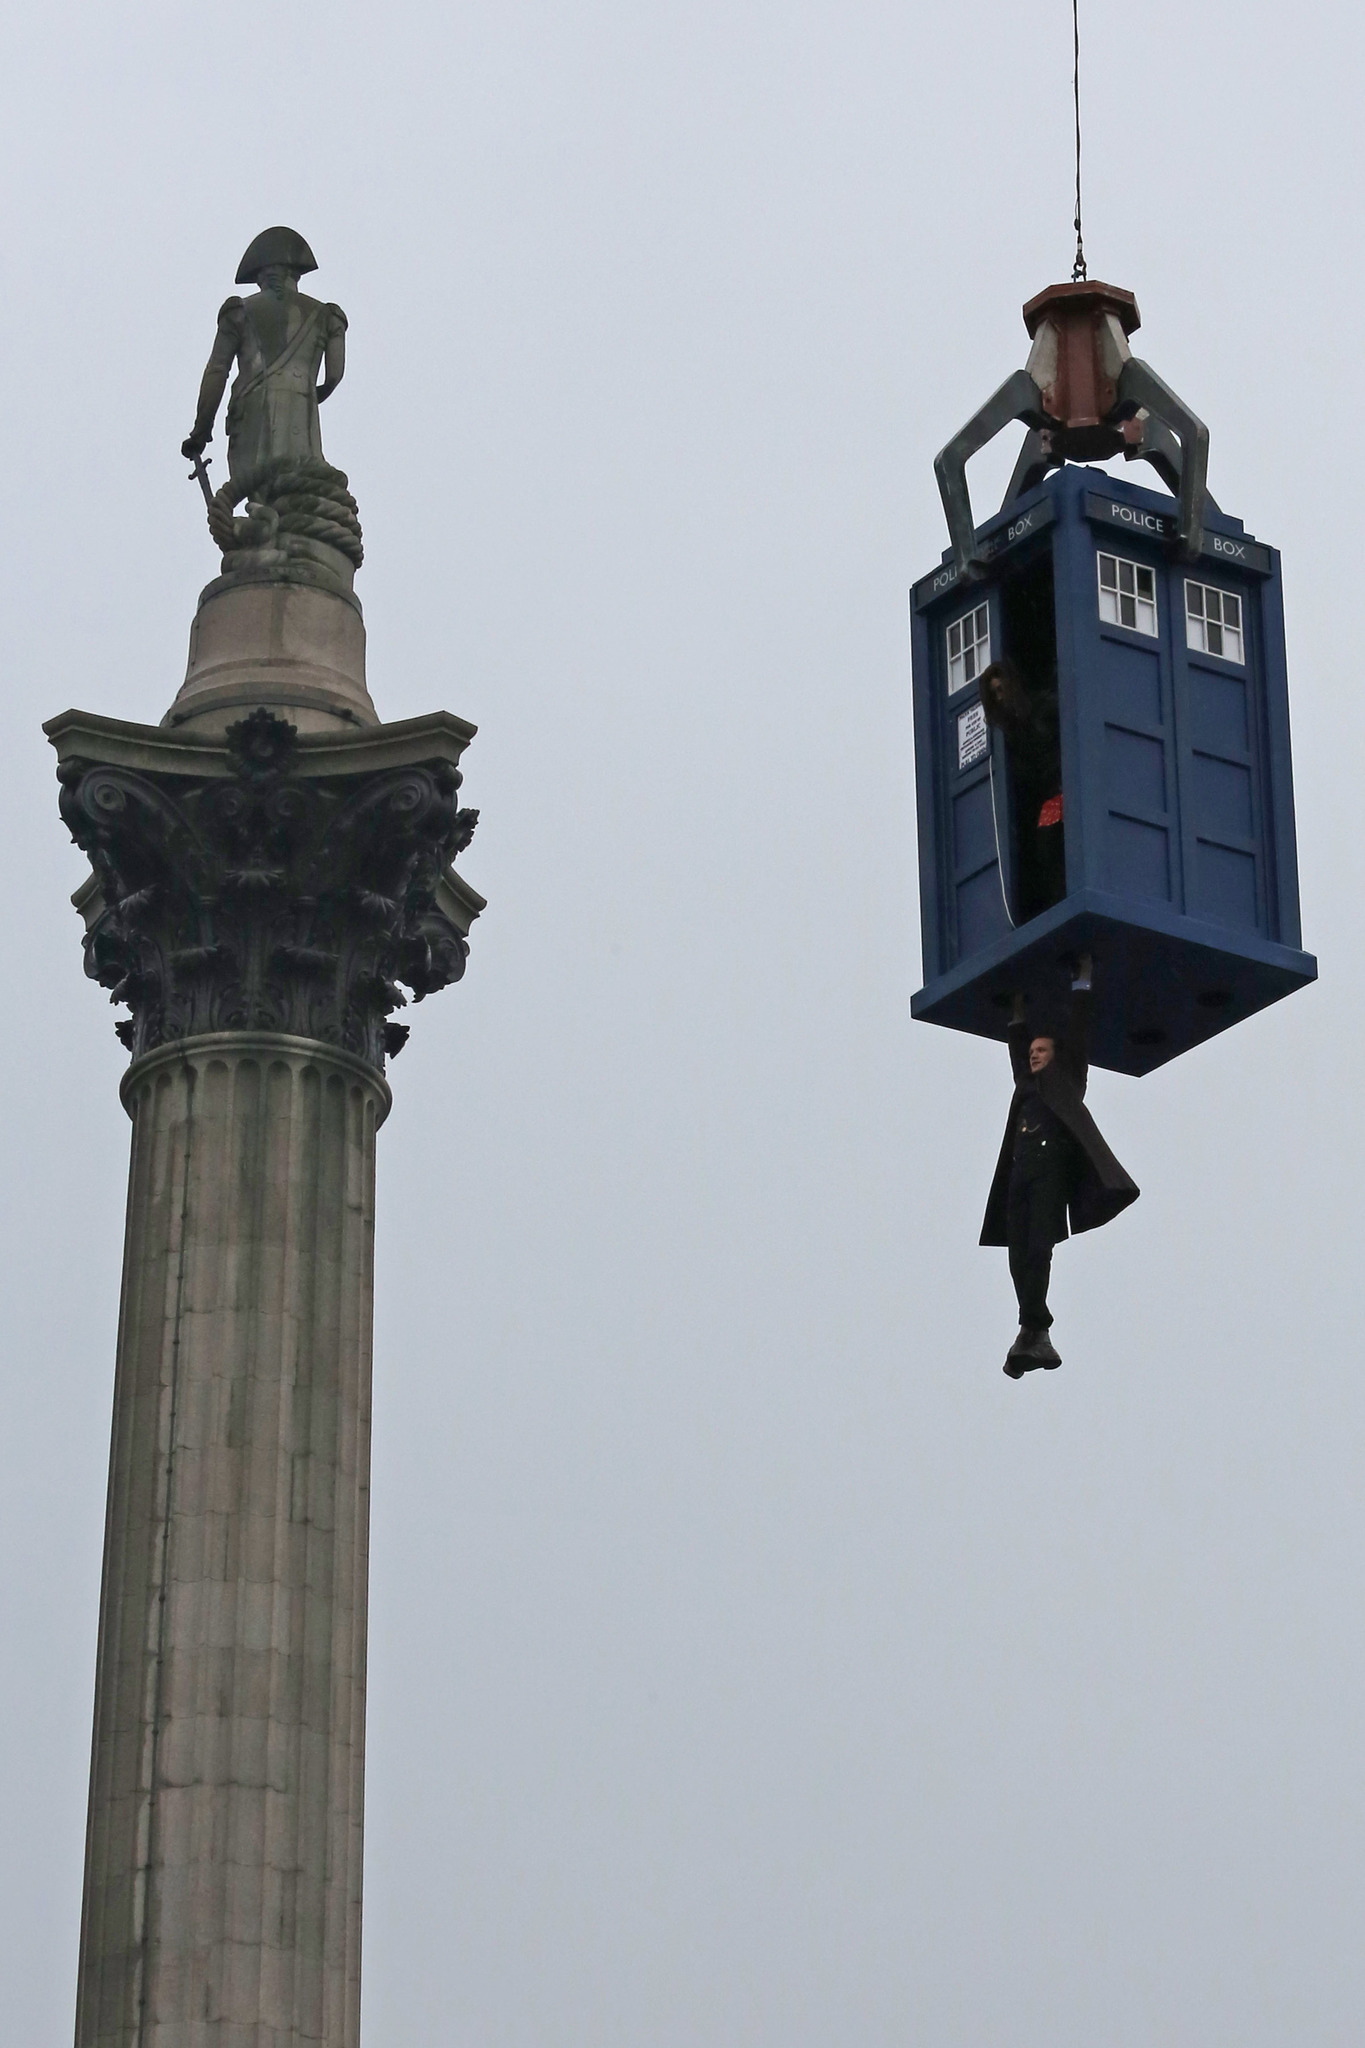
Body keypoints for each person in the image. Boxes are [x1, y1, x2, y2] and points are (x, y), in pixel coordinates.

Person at [980, 956, 1139, 1377]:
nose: (1032, 1056)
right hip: (1019, 1175)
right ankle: (1033, 1333)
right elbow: (1017, 1050)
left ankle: (1034, 1330)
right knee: (1017, 1255)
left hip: (1050, 1171)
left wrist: (1083, 981)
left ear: (1055, 1056)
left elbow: (1079, 1031)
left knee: (1038, 1249)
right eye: (1031, 1051)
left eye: (1040, 1050)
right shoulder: (1025, 1087)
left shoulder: (1067, 1079)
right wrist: (1016, 1012)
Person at [181, 226, 347, 482]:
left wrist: (201, 431)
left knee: (259, 496)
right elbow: (334, 375)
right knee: (301, 491)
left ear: (262, 276)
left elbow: (217, 371)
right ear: (295, 275)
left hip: (252, 416)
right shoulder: (327, 316)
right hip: (302, 419)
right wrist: (315, 392)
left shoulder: (238, 312)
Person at [979, 657, 1064, 920]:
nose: (1000, 698)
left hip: (1062, 786)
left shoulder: (1044, 706)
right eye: (994, 694)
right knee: (1042, 851)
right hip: (1046, 795)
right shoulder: (1010, 734)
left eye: (1001, 690)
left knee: (1050, 846)